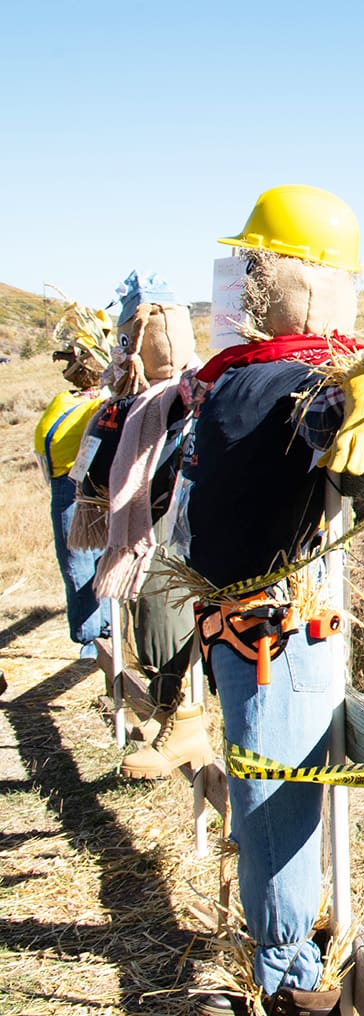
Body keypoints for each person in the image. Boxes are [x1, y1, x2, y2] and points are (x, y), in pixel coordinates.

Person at [173, 185, 364, 1016]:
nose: (243, 278)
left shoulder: (279, 381)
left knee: (270, 798)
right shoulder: (264, 381)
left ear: (289, 273)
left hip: (258, 632)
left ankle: (287, 973)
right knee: (269, 797)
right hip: (257, 635)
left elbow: (350, 413)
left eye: (253, 261)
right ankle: (286, 977)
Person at [70, 273, 210, 778]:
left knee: (165, 616)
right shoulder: (129, 405)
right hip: (156, 532)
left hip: (175, 538)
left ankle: (183, 716)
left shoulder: (180, 399)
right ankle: (176, 714)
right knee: (154, 623)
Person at [32, 306, 113, 661]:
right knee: (79, 556)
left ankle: (94, 633)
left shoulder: (103, 401)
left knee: (85, 557)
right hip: (65, 482)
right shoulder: (70, 399)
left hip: (80, 485)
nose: (64, 364)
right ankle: (95, 629)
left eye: (71, 358)